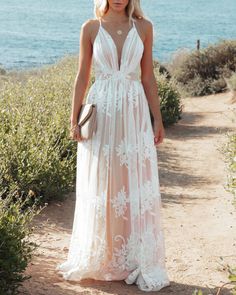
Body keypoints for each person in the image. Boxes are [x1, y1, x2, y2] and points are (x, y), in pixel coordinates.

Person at [56, 0, 171, 292]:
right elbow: (82, 76)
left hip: (134, 113)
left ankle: (134, 257)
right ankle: (103, 256)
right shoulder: (91, 28)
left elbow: (147, 77)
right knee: (104, 181)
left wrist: (157, 118)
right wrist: (74, 119)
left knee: (133, 179)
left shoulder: (145, 27)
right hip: (103, 110)